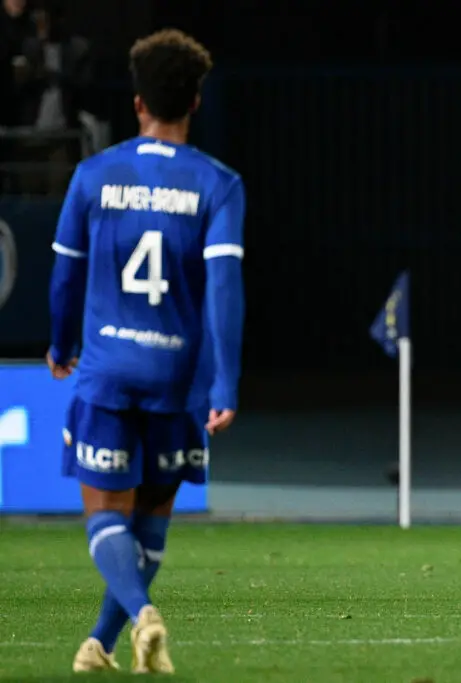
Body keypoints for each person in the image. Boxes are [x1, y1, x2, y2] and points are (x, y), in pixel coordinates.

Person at [47, 29, 245, 673]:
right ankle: (100, 645)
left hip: (107, 368)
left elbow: (65, 276)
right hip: (176, 375)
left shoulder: (93, 175)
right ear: (195, 103)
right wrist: (225, 382)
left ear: (137, 103)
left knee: (105, 513)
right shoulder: (218, 184)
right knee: (153, 513)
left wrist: (60, 344)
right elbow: (224, 289)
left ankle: (140, 615)